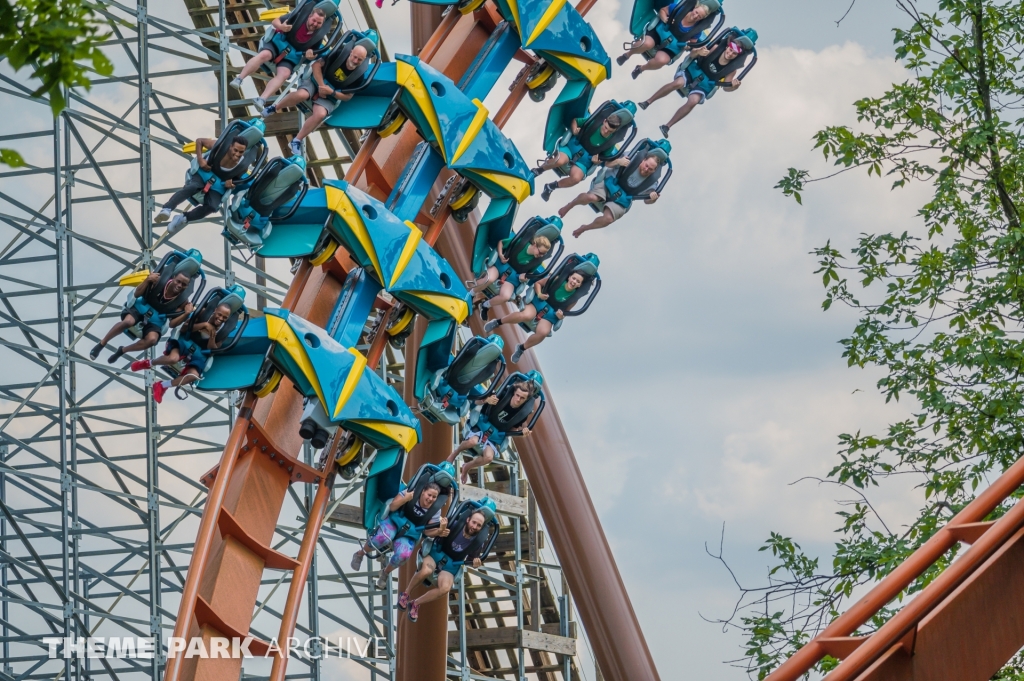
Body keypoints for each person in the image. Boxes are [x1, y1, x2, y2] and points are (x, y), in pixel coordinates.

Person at [261, 42, 369, 156]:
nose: (355, 61)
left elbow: (348, 96)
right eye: (355, 57)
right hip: (316, 81)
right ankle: (274, 107)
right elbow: (316, 65)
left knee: (321, 114)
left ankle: (296, 140)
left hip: (330, 95)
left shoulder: (359, 75)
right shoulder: (338, 54)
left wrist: (331, 92)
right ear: (351, 52)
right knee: (302, 94)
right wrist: (322, 86)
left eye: (359, 60)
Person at [639, 32, 752, 137]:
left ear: (737, 56)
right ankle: (648, 102)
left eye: (734, 53)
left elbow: (726, 88)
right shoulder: (714, 48)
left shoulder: (732, 70)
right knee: (678, 83)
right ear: (727, 47)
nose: (730, 53)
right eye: (730, 50)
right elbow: (693, 54)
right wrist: (698, 52)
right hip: (693, 71)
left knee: (693, 101)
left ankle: (667, 126)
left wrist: (733, 87)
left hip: (705, 84)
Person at [350, 482, 452, 589]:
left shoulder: (435, 510)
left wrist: (439, 531)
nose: (430, 499)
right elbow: (393, 506)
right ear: (423, 492)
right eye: (429, 495)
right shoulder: (411, 492)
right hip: (395, 521)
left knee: (404, 555)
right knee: (383, 538)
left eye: (434, 497)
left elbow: (427, 532)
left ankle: (385, 573)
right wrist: (405, 499)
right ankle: (360, 554)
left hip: (410, 533)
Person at [129, 303, 232, 403]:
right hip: (184, 341)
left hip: (200, 352)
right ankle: (147, 363)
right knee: (173, 358)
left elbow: (213, 350)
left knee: (193, 376)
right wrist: (204, 325)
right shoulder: (203, 313)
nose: (221, 318)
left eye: (224, 317)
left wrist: (212, 335)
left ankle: (162, 386)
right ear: (215, 311)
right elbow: (184, 328)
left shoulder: (224, 330)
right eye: (219, 314)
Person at [229, 7, 326, 109]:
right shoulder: (298, 17)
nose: (315, 24)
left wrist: (310, 55)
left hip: (291, 56)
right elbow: (276, 21)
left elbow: (313, 55)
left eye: (318, 23)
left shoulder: (318, 37)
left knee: (284, 74)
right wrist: (281, 26)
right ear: (309, 17)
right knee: (264, 55)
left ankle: (262, 99)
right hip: (277, 44)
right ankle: (239, 78)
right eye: (314, 20)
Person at [398, 510, 486, 622]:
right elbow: (428, 531)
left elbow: (471, 560)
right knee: (426, 571)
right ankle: (406, 594)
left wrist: (475, 563)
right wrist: (440, 530)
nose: (474, 526)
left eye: (478, 525)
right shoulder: (454, 525)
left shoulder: (477, 542)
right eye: (474, 522)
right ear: (468, 520)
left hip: (451, 564)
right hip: (435, 553)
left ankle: (415, 603)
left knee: (445, 588)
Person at [90, 270, 194, 363]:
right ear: (174, 277)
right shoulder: (159, 281)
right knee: (128, 322)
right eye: (178, 281)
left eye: (184, 285)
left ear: (187, 287)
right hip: (140, 307)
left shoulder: (182, 301)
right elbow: (137, 293)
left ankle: (122, 350)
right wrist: (147, 280)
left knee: (152, 340)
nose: (180, 285)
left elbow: (172, 324)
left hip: (157, 319)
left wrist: (186, 314)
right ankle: (102, 344)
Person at [155, 135, 248, 235]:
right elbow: (199, 141)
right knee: (192, 187)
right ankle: (167, 208)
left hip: (218, 184)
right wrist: (200, 159)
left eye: (241, 152)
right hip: (204, 173)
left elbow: (236, 181)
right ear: (230, 146)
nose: (237, 154)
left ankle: (183, 218)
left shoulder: (242, 166)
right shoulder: (220, 146)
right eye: (235, 150)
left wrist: (231, 183)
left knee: (213, 207)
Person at [558, 150, 664, 237]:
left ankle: (584, 228)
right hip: (609, 183)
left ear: (654, 171)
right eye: (646, 165)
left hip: (623, 198)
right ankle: (569, 205)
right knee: (591, 197)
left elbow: (647, 201)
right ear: (643, 161)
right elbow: (607, 164)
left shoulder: (652, 183)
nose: (646, 169)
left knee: (608, 219)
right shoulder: (629, 157)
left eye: (650, 169)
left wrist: (653, 199)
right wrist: (618, 162)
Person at [446, 380, 534, 481]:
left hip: (494, 435)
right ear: (514, 392)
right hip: (481, 424)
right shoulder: (502, 394)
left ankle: (467, 467)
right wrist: (486, 400)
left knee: (489, 458)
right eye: (517, 395)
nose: (518, 399)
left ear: (526, 399)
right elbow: (476, 401)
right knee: (472, 441)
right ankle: (454, 453)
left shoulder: (522, 413)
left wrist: (521, 433)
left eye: (522, 398)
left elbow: (512, 429)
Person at [533, 112, 625, 202]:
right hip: (572, 148)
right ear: (604, 121)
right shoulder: (594, 122)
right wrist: (575, 129)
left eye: (610, 131)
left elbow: (605, 160)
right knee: (560, 161)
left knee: (576, 178)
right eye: (606, 128)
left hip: (584, 161)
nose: (606, 131)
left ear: (614, 131)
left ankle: (550, 187)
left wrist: (598, 162)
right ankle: (538, 170)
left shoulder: (610, 143)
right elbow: (575, 121)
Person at [616, 0, 721, 79]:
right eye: (696, 12)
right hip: (660, 33)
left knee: (662, 61)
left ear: (702, 19)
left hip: (673, 46)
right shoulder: (679, 9)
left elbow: (691, 45)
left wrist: (690, 47)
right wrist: (666, 19)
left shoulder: (697, 30)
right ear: (694, 8)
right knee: (647, 44)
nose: (695, 16)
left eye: (699, 17)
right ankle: (627, 55)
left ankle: (640, 68)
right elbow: (663, 11)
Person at [467, 234, 552, 319]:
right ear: (534, 245)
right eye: (540, 252)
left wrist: (524, 277)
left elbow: (530, 273)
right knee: (489, 279)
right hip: (500, 266)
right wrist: (501, 255)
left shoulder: (537, 261)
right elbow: (501, 243)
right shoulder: (521, 243)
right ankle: (471, 294)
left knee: (506, 296)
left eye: (543, 254)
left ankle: (485, 306)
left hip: (513, 277)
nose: (541, 255)